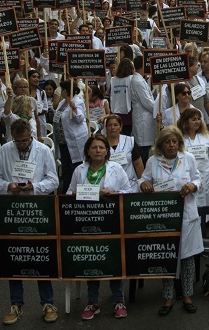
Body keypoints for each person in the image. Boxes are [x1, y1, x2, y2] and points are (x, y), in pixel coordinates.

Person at [0, 121, 60, 324]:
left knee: (41, 255)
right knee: (14, 256)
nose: (22, 144)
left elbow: (54, 180)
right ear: (12, 137)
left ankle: (48, 303)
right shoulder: (4, 150)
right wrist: (8, 185)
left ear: (31, 135)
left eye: (25, 140)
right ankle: (16, 304)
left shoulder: (43, 150)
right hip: (12, 210)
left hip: (37, 210)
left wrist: (34, 187)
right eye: (18, 141)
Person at [139, 126, 203, 315]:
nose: (171, 145)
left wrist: (192, 185)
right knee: (167, 256)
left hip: (186, 214)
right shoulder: (153, 161)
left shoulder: (188, 158)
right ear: (161, 145)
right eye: (167, 141)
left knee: (187, 257)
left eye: (174, 141)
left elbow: (198, 179)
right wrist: (144, 184)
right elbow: (143, 179)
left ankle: (187, 296)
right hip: (163, 215)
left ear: (179, 143)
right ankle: (167, 298)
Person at [71, 134, 130, 320]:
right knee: (93, 259)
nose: (98, 150)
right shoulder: (79, 170)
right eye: (94, 147)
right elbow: (68, 193)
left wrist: (114, 193)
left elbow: (128, 192)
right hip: (86, 223)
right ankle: (92, 302)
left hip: (111, 221)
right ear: (88, 151)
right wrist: (75, 193)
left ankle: (118, 300)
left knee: (114, 259)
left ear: (107, 151)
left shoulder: (116, 169)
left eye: (101, 148)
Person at [177, 108, 209, 207]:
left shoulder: (205, 137)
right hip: (187, 178)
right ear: (186, 121)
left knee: (205, 209)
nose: (197, 122)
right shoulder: (180, 138)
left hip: (205, 178)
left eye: (199, 119)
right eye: (193, 119)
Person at [102, 114, 144, 184]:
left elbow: (138, 164)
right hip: (108, 184)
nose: (112, 128)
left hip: (130, 183)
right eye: (109, 125)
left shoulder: (130, 141)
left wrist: (142, 182)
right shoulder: (101, 144)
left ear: (120, 127)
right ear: (106, 128)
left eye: (115, 125)